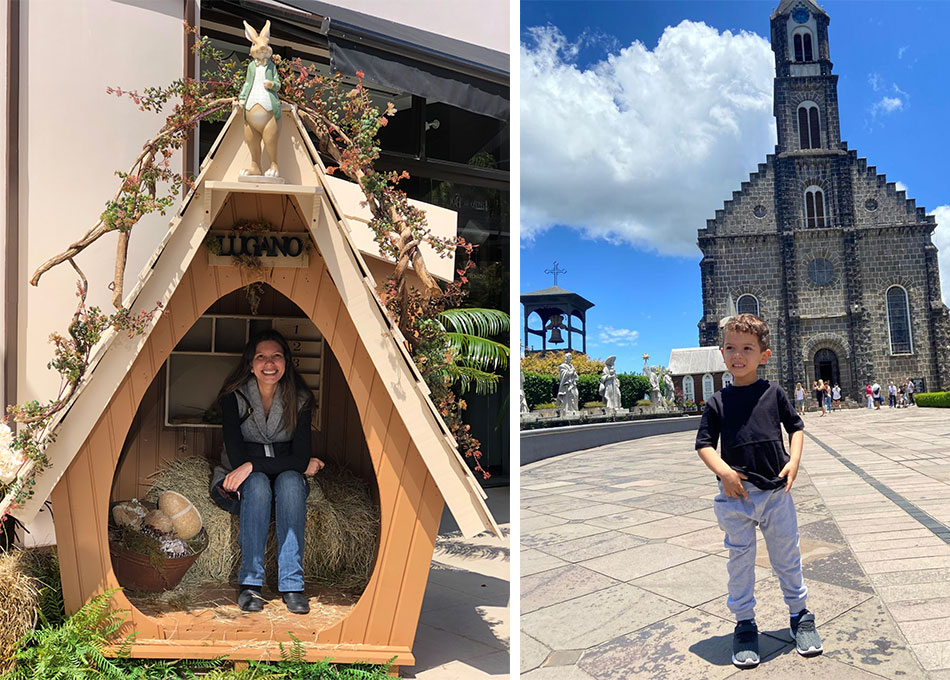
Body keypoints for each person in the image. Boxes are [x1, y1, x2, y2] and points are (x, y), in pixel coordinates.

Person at [696, 314, 821, 668]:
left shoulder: (773, 392)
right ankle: (745, 624)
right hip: (735, 496)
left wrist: (794, 461)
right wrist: (724, 472)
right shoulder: (717, 402)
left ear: (763, 355)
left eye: (747, 348)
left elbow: (796, 427)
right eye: (731, 348)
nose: (739, 355)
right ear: (722, 353)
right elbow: (704, 445)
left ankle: (800, 615)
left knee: (787, 555)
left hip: (776, 492)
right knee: (740, 561)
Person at [210, 329, 324, 615]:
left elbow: (297, 462)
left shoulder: (300, 400)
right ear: (251, 363)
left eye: (276, 356)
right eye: (261, 357)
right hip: (238, 486)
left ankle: (292, 585)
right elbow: (237, 458)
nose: (269, 363)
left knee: (289, 483)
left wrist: (256, 461)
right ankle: (250, 584)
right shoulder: (232, 397)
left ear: (286, 362)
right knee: (259, 483)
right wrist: (281, 461)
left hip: (284, 489)